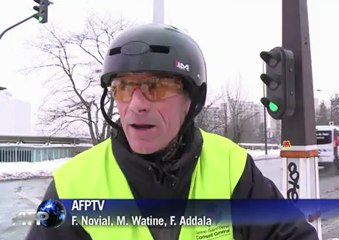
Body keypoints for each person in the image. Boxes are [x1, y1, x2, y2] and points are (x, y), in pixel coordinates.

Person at [26, 23, 318, 240]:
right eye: (124, 88)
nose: (137, 104)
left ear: (191, 100)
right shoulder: (72, 185)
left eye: (157, 86)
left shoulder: (230, 166)